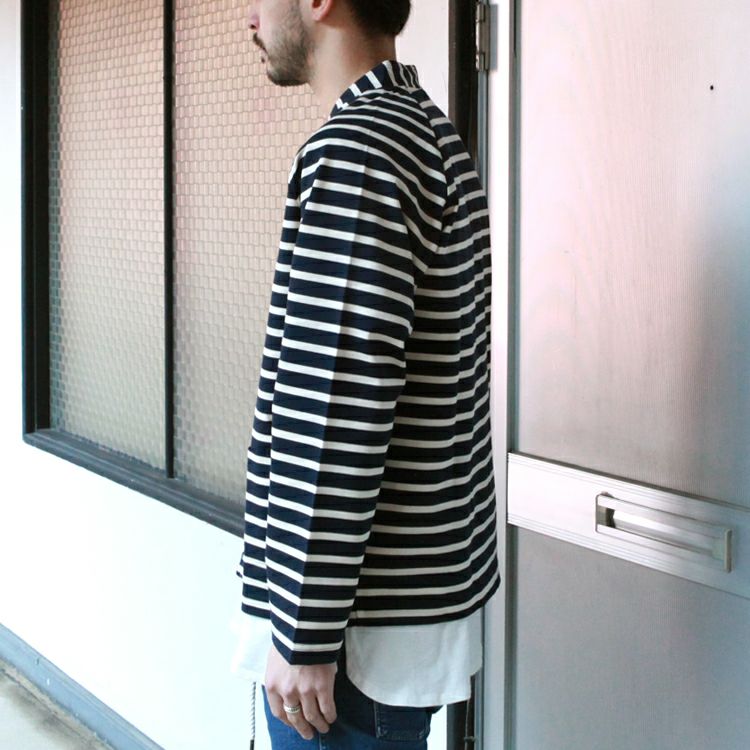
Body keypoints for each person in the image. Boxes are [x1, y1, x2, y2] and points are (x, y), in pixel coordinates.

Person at [231, 1, 500, 747]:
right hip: (390, 621)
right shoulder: (428, 133)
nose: (249, 17)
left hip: (346, 649)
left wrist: (302, 631)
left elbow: (334, 407)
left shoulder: (358, 151)